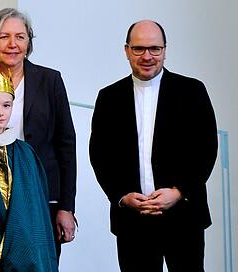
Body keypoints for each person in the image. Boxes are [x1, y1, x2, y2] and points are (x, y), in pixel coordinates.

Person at [89, 20, 218, 271]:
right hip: (132, 220)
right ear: (126, 50)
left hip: (184, 217)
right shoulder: (109, 97)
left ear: (165, 50)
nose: (147, 56)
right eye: (139, 49)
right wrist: (122, 196)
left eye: (155, 49)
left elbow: (206, 149)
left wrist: (179, 191)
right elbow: (100, 155)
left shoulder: (192, 91)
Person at [0, 8, 77, 251]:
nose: (13, 44)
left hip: (43, 198)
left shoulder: (50, 81)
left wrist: (66, 207)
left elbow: (66, 145)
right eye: (4, 36)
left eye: (20, 37)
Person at [0, 66, 58, 271]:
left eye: (6, 105)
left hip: (22, 246)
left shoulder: (26, 153)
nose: (0, 112)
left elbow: (35, 210)